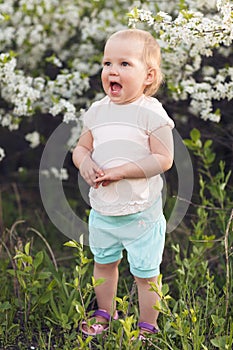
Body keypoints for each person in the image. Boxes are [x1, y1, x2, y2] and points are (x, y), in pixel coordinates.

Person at [72, 28, 174, 339]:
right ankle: (105, 312)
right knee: (104, 264)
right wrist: (86, 163)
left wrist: (124, 171)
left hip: (141, 213)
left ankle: (147, 325)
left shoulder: (150, 113)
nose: (112, 70)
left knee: (145, 274)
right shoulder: (98, 111)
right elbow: (81, 148)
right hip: (104, 211)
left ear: (148, 75)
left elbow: (164, 158)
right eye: (107, 63)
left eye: (125, 64)